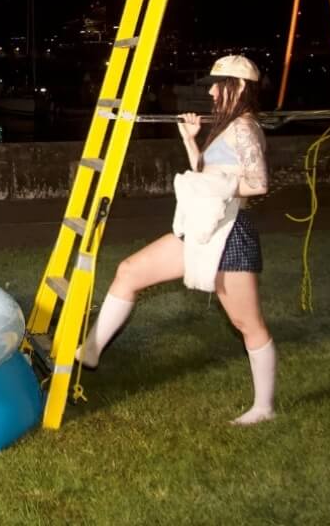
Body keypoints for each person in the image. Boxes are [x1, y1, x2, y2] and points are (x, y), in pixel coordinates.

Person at [74, 54, 277, 425]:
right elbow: (209, 172)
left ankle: (264, 408)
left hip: (230, 232)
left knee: (247, 323)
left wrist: (218, 186)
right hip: (202, 226)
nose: (211, 93)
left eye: (218, 86)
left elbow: (258, 183)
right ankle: (90, 351)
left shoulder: (245, 128)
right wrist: (190, 141)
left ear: (237, 87)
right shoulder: (227, 126)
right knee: (130, 271)